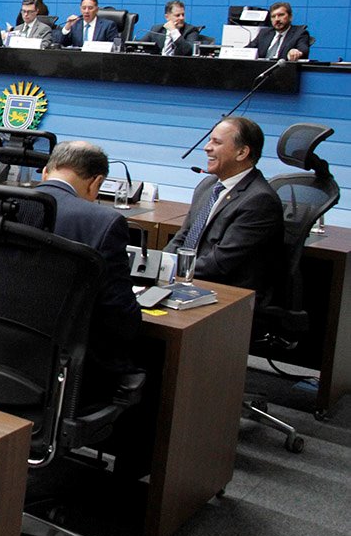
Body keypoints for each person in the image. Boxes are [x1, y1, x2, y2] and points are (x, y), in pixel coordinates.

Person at [35, 141, 141, 400]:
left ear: (46, 172)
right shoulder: (103, 222)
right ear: (96, 183)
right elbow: (121, 317)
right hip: (68, 374)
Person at [164, 117, 284, 298]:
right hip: (190, 280)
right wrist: (161, 264)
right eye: (209, 140)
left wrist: (171, 269)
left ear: (242, 153)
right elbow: (183, 237)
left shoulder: (260, 200)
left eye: (217, 142)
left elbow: (220, 263)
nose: (207, 147)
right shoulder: (207, 185)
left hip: (226, 294)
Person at [248, 1, 313, 61]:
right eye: (273, 16)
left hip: (285, 68)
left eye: (281, 15)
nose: (277, 19)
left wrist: (296, 52)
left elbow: (303, 50)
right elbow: (248, 49)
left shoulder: (300, 33)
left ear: (290, 17)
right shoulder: (264, 33)